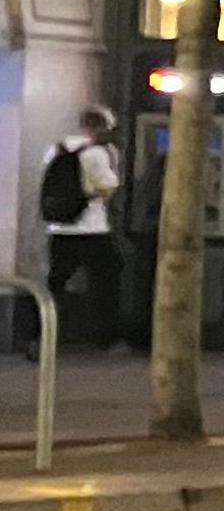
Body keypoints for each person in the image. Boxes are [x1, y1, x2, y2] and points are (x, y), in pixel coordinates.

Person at [29, 106, 122, 353]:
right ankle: (106, 339)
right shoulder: (98, 153)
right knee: (106, 282)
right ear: (102, 128)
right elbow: (108, 189)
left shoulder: (55, 149)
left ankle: (43, 337)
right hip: (93, 230)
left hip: (58, 229)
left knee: (55, 284)